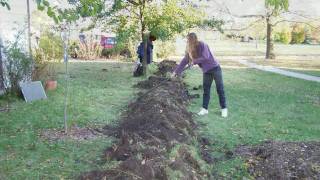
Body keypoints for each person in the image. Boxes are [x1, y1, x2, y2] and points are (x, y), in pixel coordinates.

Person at [171, 33, 227, 117]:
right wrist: (176, 72)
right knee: (206, 90)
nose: (188, 42)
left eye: (190, 40)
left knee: (220, 89)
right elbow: (184, 61)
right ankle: (205, 109)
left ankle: (224, 109)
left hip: (215, 68)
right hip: (206, 71)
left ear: (194, 40)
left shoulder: (202, 45)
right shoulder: (190, 50)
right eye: (188, 41)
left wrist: (194, 61)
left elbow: (206, 57)